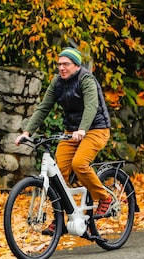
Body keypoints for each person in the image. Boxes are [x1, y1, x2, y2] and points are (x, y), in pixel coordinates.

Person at [14, 47, 112, 235]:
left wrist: (83, 129)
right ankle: (59, 218)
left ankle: (104, 198)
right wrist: (27, 132)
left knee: (79, 163)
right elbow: (44, 108)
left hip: (96, 129)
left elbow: (92, 106)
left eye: (66, 64)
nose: (61, 68)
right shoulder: (57, 82)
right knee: (58, 174)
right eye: (59, 64)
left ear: (76, 65)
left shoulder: (86, 79)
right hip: (72, 132)